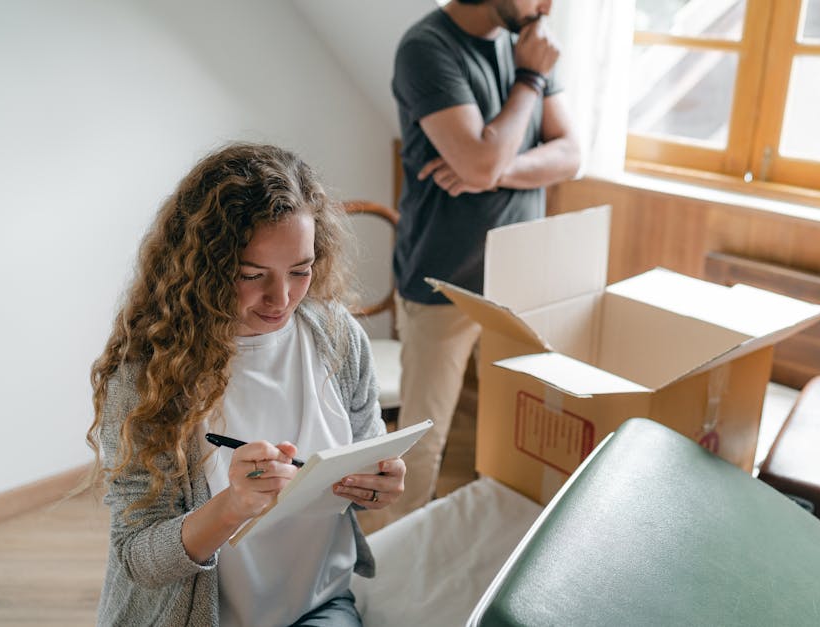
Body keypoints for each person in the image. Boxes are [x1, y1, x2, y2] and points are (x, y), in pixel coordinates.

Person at [85, 142, 405, 626]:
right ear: (205, 269)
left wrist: (377, 483)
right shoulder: (149, 375)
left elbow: (367, 447)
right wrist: (231, 507)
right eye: (252, 275)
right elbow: (138, 557)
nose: (282, 299)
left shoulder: (340, 338)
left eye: (301, 270)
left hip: (318, 605)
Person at [378, 0, 581, 525]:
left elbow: (572, 154)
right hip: (442, 283)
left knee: (495, 445)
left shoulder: (526, 38)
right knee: (419, 453)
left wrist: (495, 168)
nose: (548, 6)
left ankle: (450, 553)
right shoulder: (427, 48)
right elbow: (480, 160)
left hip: (517, 288)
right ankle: (378, 571)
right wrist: (530, 78)